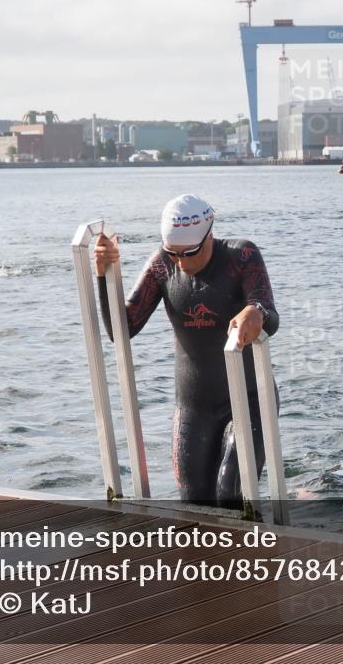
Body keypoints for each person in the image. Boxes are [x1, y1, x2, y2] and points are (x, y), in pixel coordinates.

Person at [93, 194, 280, 505]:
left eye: (189, 252)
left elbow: (271, 317)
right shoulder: (162, 266)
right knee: (194, 503)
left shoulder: (241, 256)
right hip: (194, 406)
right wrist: (104, 276)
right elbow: (122, 329)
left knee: (230, 492)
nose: (181, 261)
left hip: (249, 400)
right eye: (173, 253)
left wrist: (255, 312)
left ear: (210, 235)